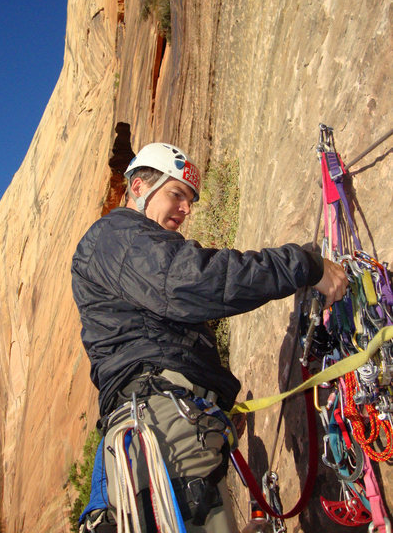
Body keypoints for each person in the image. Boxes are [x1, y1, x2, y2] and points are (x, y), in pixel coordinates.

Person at [71, 142, 348, 533]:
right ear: (137, 187)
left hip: (174, 425)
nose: (186, 210)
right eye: (176, 194)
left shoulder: (125, 253)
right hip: (165, 427)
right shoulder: (117, 234)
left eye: (190, 200)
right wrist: (303, 266)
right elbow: (191, 281)